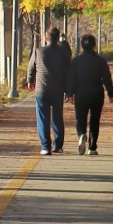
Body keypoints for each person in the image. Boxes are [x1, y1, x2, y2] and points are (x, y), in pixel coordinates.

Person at [66, 33, 113, 156]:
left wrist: (70, 94)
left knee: (80, 119)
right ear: (94, 45)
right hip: (97, 93)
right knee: (94, 120)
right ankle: (92, 147)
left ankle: (82, 135)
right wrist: (111, 93)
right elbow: (106, 78)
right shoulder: (100, 60)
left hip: (81, 93)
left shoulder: (76, 61)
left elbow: (71, 78)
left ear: (82, 46)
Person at [26, 25, 72, 155]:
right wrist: (69, 92)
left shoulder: (38, 51)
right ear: (58, 38)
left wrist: (30, 81)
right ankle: (57, 145)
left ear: (46, 38)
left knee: (43, 118)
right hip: (58, 90)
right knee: (57, 117)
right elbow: (69, 72)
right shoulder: (64, 53)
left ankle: (45, 147)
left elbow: (31, 67)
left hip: (42, 89)